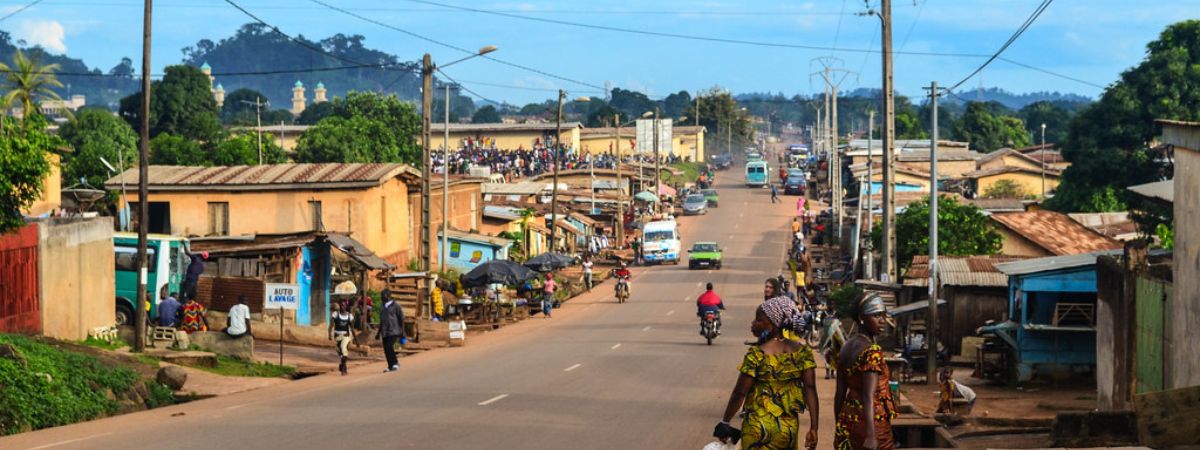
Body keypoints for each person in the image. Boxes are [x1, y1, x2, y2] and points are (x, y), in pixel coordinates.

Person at [714, 296, 820, 449]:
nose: (753, 323)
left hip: (757, 428)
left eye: (758, 320)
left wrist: (725, 422)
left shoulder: (757, 354)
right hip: (787, 429)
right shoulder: (803, 354)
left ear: (773, 323)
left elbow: (739, 393)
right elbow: (810, 389)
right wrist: (814, 428)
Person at [834, 293, 898, 450]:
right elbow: (868, 396)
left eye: (883, 315)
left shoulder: (846, 347)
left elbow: (840, 394)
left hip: (848, 420)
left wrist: (839, 427)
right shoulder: (872, 351)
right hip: (873, 423)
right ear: (861, 318)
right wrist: (871, 436)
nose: (882, 321)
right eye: (876, 316)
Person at [374, 289, 407, 372]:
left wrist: (403, 331)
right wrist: (378, 333)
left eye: (383, 295)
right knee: (386, 349)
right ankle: (390, 365)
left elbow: (401, 318)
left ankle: (395, 363)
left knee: (389, 346)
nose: (381, 297)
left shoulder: (396, 305)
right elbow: (382, 320)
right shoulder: (382, 306)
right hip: (385, 331)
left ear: (388, 296)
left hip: (394, 330)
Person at [329, 302, 353, 375]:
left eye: (343, 305)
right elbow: (331, 325)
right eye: (341, 305)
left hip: (346, 335)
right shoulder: (336, 314)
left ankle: (343, 369)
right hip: (337, 336)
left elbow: (352, 327)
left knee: (343, 349)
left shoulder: (349, 316)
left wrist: (356, 341)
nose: (342, 307)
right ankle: (342, 365)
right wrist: (329, 334)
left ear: (346, 307)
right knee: (340, 352)